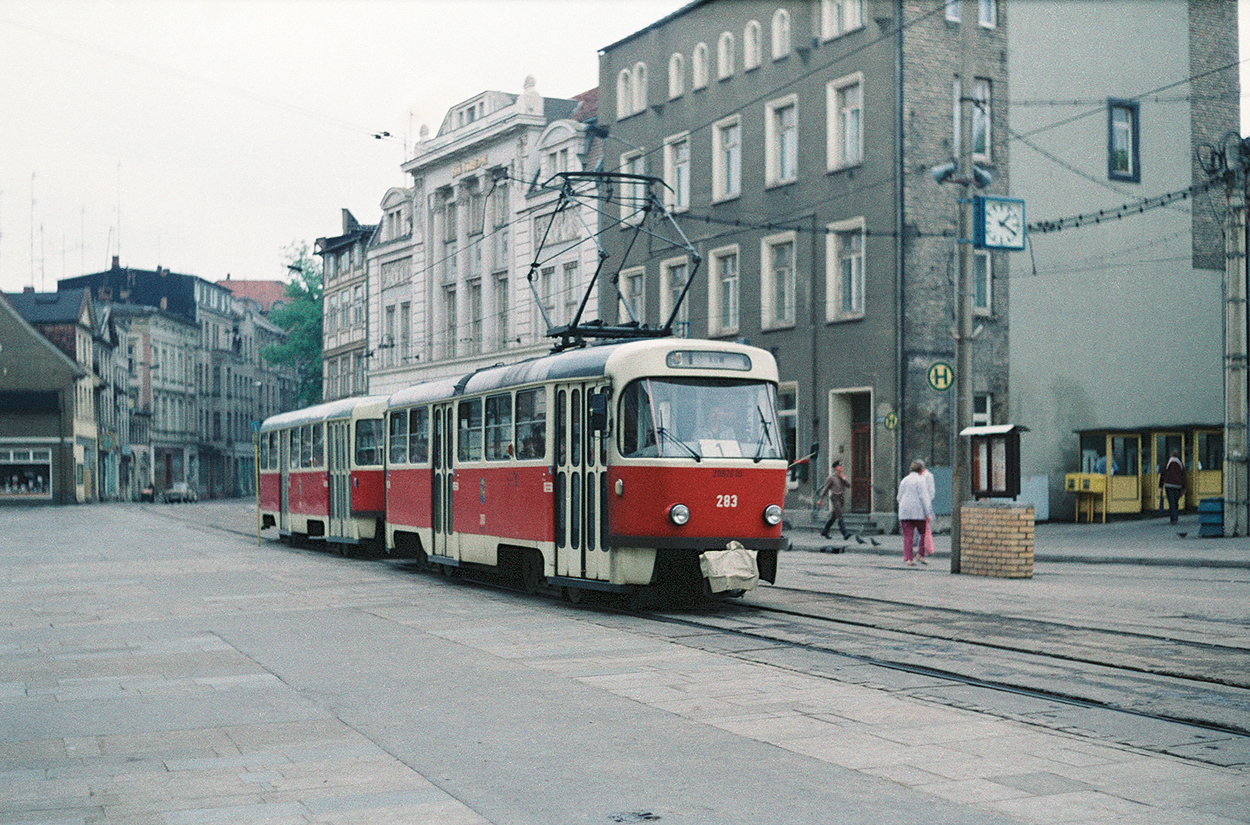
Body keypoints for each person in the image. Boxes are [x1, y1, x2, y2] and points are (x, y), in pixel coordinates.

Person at [897, 460, 935, 566]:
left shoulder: (904, 480)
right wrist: (928, 513)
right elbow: (924, 497)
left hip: (904, 512)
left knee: (907, 536)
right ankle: (920, 554)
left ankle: (909, 559)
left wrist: (903, 505)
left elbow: (899, 497)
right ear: (921, 470)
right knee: (923, 533)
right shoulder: (921, 480)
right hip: (918, 512)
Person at [816, 460, 850, 540]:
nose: (841, 467)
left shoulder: (843, 476)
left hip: (841, 497)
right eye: (839, 466)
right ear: (835, 468)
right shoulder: (831, 478)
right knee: (839, 514)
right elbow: (825, 489)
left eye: (841, 466)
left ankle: (825, 531)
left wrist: (843, 479)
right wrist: (820, 499)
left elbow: (848, 485)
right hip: (835, 497)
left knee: (834, 516)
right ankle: (844, 533)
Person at [1159, 449, 1186, 525]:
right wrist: (1184, 487)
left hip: (1169, 485)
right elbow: (1184, 476)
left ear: (1171, 455)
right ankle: (1175, 517)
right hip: (1178, 485)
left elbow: (1163, 474)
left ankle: (1173, 518)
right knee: (1175, 501)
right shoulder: (1180, 464)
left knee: (1171, 502)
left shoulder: (1168, 463)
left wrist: (1160, 486)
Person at [917, 461, 937, 560]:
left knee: (925, 526)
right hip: (918, 503)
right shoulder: (918, 476)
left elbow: (931, 490)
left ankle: (926, 547)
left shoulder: (928, 476)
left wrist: (928, 501)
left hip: (925, 503)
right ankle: (923, 547)